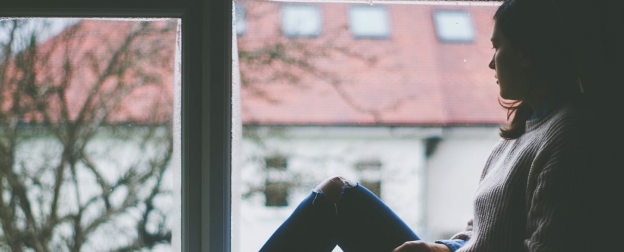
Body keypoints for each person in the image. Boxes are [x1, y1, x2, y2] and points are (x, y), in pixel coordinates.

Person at [259, 0, 600, 251]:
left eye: (498, 46)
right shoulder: (522, 133)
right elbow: (480, 231)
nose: (490, 61)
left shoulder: (569, 133)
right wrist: (445, 248)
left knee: (338, 201)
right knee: (336, 193)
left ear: (527, 53)